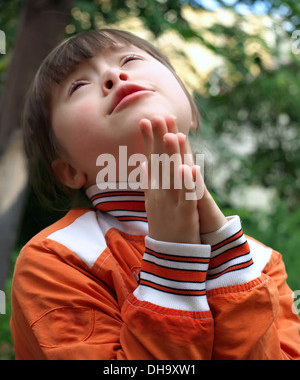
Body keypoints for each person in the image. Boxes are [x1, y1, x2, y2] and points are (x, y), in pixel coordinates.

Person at [10, 28, 300, 360]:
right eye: (78, 86)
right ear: (68, 171)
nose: (112, 75)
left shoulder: (261, 264)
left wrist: (228, 262)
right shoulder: (55, 260)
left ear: (191, 111)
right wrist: (173, 260)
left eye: (130, 59)